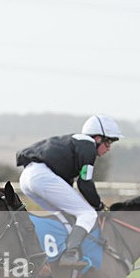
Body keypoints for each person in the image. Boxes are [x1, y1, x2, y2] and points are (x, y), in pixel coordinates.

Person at [16, 115, 123, 268]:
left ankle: (54, 251)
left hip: (27, 178)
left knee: (68, 215)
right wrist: (99, 206)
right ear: (97, 138)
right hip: (41, 177)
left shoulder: (74, 144)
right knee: (88, 214)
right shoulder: (88, 146)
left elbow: (72, 186)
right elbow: (85, 183)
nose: (109, 148)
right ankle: (69, 254)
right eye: (108, 142)